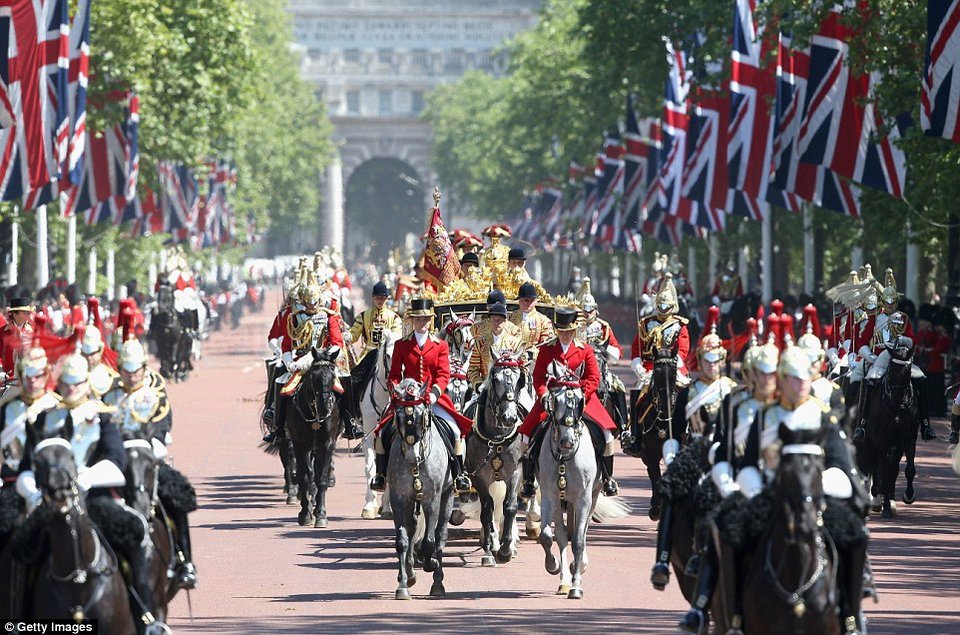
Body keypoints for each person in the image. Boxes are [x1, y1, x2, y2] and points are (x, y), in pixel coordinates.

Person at [674, 339, 779, 631]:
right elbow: (727, 451)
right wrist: (731, 483)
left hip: (789, 485)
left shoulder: (801, 408)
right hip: (746, 479)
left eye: (772, 373)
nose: (765, 380)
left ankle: (849, 611)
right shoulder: (737, 405)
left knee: (840, 529)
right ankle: (700, 604)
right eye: (759, 373)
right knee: (718, 527)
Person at [369, 298, 475, 494]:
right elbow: (393, 375)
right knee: (382, 431)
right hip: (405, 399)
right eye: (418, 319)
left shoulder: (440, 346)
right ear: (412, 321)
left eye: (426, 319)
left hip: (432, 398)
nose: (422, 323)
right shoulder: (402, 345)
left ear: (431, 321)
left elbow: (444, 375)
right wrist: (397, 391)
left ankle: (459, 474)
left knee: (454, 430)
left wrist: (434, 394)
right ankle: (381, 475)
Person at [518, 308, 620, 498]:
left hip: (582, 400)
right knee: (526, 435)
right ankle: (529, 479)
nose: (565, 335)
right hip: (552, 400)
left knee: (607, 434)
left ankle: (607, 478)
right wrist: (544, 395)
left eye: (569, 332)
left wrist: (581, 394)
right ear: (557, 331)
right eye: (562, 332)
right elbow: (538, 377)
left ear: (574, 331)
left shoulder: (585, 350)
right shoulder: (547, 349)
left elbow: (593, 377)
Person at [345, 281, 403, 438]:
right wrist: (347, 336)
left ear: (387, 299)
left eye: (383, 298)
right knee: (351, 382)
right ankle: (352, 420)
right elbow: (354, 333)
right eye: (377, 297)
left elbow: (397, 336)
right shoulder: (363, 316)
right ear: (372, 298)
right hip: (369, 354)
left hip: (387, 354)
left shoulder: (395, 318)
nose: (380, 300)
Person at [0, 341, 61, 486]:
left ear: (46, 375)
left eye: (37, 376)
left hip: (47, 480)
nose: (32, 381)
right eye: (28, 376)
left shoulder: (56, 407)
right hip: (11, 479)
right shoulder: (7, 407)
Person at [577, 278, 628, 433]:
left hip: (600, 365)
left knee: (618, 386)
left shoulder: (603, 327)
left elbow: (618, 352)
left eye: (590, 310)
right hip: (577, 368)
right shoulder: (573, 327)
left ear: (595, 309)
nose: (587, 313)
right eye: (584, 310)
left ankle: (623, 426)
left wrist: (605, 348)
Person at [467, 301, 526, 421]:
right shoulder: (480, 342)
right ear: (488, 321)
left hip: (512, 390)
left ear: (505, 322)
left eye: (500, 320)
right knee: (466, 412)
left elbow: (523, 368)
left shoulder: (516, 343)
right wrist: (478, 384)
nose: (496, 323)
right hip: (485, 388)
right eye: (493, 320)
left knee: (529, 412)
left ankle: (528, 437)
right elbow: (472, 369)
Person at [509, 282, 554, 360]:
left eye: (530, 301)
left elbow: (547, 344)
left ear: (536, 301)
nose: (527, 303)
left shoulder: (544, 321)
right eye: (524, 300)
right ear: (519, 301)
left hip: (534, 360)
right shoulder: (510, 318)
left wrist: (533, 353)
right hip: (512, 358)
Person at [0, 294, 34, 377]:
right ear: (15, 315)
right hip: (7, 378)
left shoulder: (32, 332)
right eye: (24, 313)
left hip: (29, 377)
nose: (27, 315)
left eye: (28, 312)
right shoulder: (2, 332)